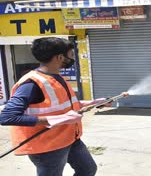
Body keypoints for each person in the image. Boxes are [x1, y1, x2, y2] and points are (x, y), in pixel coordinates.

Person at [0, 37, 110, 176]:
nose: (72, 59)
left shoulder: (55, 76)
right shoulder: (31, 84)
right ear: (59, 57)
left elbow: (66, 105)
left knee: (87, 169)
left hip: (70, 138)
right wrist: (58, 119)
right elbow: (7, 117)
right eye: (70, 56)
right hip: (48, 146)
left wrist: (94, 102)